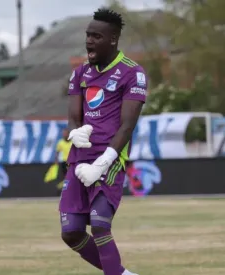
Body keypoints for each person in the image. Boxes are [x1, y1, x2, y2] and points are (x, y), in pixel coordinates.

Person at [59, 8, 147, 275]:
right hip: (79, 160)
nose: (89, 41)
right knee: (71, 233)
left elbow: (127, 125)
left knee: (99, 225)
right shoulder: (79, 74)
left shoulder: (133, 73)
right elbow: (73, 118)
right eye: (88, 35)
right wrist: (76, 132)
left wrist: (102, 164)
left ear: (113, 39)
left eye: (96, 36)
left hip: (109, 160)